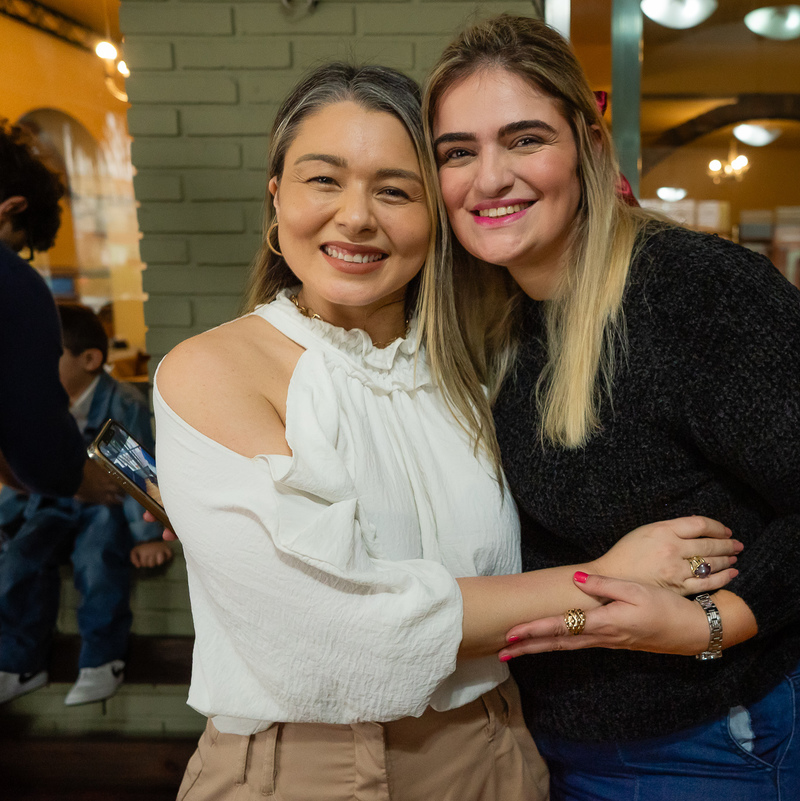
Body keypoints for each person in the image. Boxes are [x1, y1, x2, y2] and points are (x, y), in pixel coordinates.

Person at [153, 63, 741, 801]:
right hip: (309, 767)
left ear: (439, 216)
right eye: (323, 180)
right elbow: (340, 630)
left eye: (395, 190)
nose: (357, 217)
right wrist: (605, 583)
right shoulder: (213, 369)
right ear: (276, 199)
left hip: (496, 744)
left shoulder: (474, 368)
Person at [425, 16, 800, 799]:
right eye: (458, 152)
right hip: (546, 737)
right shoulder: (494, 312)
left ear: (587, 144)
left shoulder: (694, 293)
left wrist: (712, 623)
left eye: (525, 139)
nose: (489, 179)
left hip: (704, 741)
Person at [0, 303, 169, 707]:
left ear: (89, 359)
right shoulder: (38, 405)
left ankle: (102, 660)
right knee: (19, 560)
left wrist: (147, 535)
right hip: (52, 507)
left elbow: (138, 469)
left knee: (97, 561)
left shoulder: (122, 400)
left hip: (103, 508)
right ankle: (20, 663)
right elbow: (22, 473)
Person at [0, 119, 122, 506]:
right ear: (10, 209)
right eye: (16, 247)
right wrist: (73, 478)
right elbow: (32, 421)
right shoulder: (12, 284)